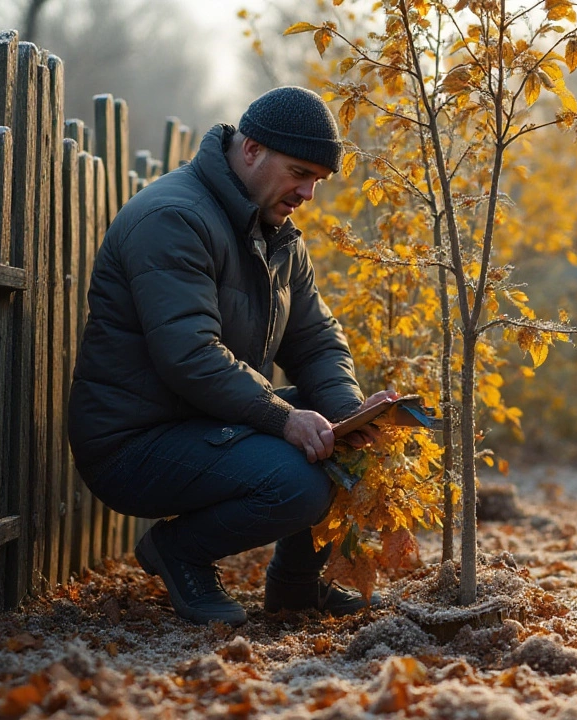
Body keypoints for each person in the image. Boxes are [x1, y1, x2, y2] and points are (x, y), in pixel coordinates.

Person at [68, 87, 394, 627]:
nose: (308, 193)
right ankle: (180, 552)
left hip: (204, 420)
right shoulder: (173, 217)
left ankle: (296, 587)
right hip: (133, 442)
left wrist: (350, 418)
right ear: (251, 151)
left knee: (336, 443)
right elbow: (189, 354)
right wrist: (282, 418)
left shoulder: (279, 237)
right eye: (299, 172)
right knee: (299, 479)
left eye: (318, 179)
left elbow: (316, 341)